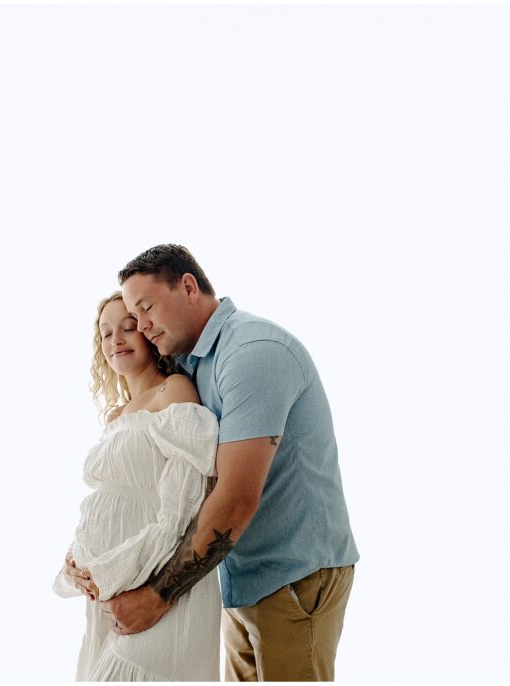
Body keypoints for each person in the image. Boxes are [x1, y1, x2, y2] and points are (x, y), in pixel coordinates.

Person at [99, 244, 360, 682]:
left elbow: (236, 497)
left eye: (145, 308)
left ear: (187, 287)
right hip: (240, 575)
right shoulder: (192, 364)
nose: (141, 326)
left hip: (294, 578)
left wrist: (156, 597)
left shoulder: (251, 352)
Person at [53, 291, 222, 681]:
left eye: (128, 328)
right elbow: (106, 504)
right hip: (109, 593)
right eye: (106, 333)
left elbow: (181, 512)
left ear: (149, 333)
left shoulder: (175, 392)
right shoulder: (115, 415)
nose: (116, 340)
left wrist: (109, 571)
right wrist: (76, 564)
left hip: (154, 582)